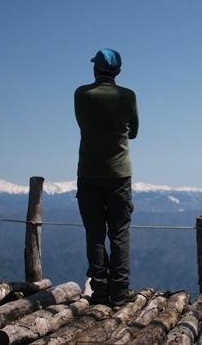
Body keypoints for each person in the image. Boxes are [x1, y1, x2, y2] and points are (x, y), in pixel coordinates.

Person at [75, 48, 139, 306]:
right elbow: (133, 132)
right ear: (119, 71)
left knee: (95, 234)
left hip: (89, 174)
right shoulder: (128, 96)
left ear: (95, 69)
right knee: (120, 233)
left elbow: (82, 123)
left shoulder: (81, 94)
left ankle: (99, 292)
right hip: (119, 176)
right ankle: (121, 293)